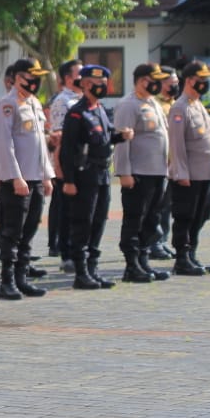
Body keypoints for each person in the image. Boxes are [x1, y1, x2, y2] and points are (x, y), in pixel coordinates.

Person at [59, 64, 133, 290]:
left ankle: (92, 269)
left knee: (99, 221)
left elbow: (106, 136)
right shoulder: (76, 112)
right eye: (95, 83)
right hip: (84, 174)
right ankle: (81, 273)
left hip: (102, 173)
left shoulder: (99, 109)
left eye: (102, 84)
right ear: (84, 84)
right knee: (84, 222)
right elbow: (67, 149)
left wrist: (121, 136)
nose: (100, 87)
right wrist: (69, 180)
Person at [0, 58, 54, 300]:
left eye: (37, 76)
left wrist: (47, 176)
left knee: (29, 231)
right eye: (29, 76)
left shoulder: (34, 103)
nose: (34, 81)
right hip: (16, 181)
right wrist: (15, 177)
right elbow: (3, 145)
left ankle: (21, 278)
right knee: (12, 232)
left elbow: (41, 145)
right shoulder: (6, 105)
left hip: (35, 178)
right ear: (16, 78)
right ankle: (7, 282)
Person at [114, 63, 172, 283]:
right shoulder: (128, 105)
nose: (157, 84)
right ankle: (131, 266)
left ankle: (143, 261)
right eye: (153, 79)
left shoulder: (153, 103)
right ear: (140, 80)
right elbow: (122, 141)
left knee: (151, 219)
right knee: (135, 219)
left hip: (157, 172)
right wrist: (124, 172)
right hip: (138, 173)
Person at [168, 60, 210, 276]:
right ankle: (181, 258)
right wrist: (180, 172)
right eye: (201, 80)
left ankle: (192, 254)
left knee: (201, 214)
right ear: (189, 81)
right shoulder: (180, 107)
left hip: (204, 173)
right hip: (188, 175)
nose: (205, 84)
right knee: (185, 216)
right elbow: (177, 144)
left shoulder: (197, 105)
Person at [47, 59, 83, 273]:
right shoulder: (63, 101)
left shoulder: (81, 99)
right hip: (66, 165)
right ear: (68, 78)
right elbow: (59, 138)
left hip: (81, 164)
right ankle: (65, 251)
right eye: (79, 73)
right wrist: (60, 170)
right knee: (66, 210)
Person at [148, 65, 181, 261]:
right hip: (159, 163)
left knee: (168, 206)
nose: (175, 85)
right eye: (172, 82)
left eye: (177, 82)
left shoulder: (175, 104)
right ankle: (153, 242)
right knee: (157, 206)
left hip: (174, 163)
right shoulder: (154, 104)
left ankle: (162, 240)